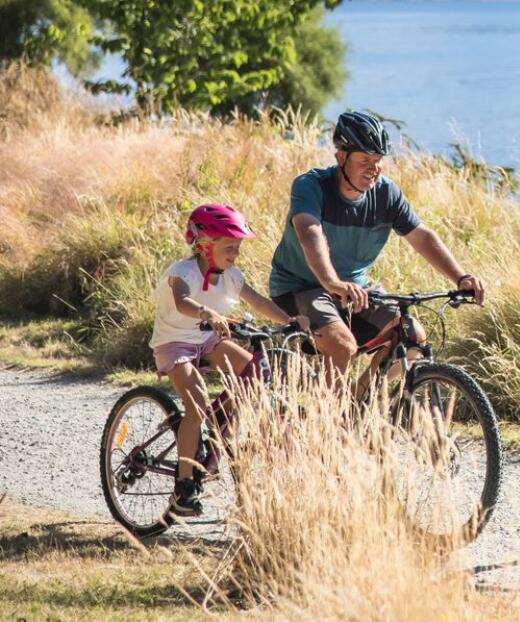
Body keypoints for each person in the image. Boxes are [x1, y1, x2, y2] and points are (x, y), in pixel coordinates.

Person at [266, 111, 487, 375]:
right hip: (300, 288)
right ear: (341, 158)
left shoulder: (385, 193)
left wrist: (461, 277)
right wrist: (332, 282)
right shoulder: (311, 186)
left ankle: (362, 397)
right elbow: (309, 232)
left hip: (355, 290)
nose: (374, 168)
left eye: (378, 160)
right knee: (342, 345)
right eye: (364, 160)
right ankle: (327, 403)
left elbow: (421, 236)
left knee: (412, 338)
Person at [149, 204, 293, 517]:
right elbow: (182, 301)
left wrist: (291, 322)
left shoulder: (231, 277)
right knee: (197, 406)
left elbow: (259, 302)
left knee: (255, 372)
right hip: (175, 343)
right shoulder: (182, 273)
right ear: (204, 245)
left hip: (208, 340)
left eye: (238, 248)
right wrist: (207, 313)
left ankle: (218, 421)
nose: (236, 254)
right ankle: (184, 487)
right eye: (229, 248)